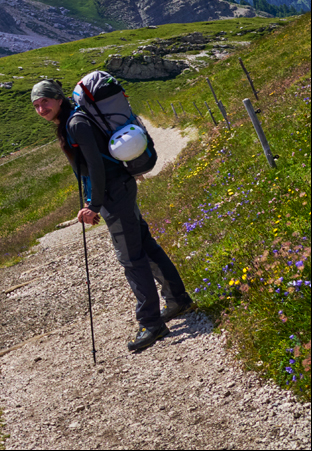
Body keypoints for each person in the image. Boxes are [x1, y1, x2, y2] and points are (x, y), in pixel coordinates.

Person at [30, 79, 194, 352]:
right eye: (36, 105)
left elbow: (96, 166)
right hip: (118, 190)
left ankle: (151, 323)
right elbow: (92, 166)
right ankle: (178, 299)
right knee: (145, 246)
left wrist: (94, 205)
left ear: (59, 99)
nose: (41, 108)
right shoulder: (73, 121)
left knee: (131, 258)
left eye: (45, 101)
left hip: (114, 194)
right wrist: (92, 201)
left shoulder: (75, 123)